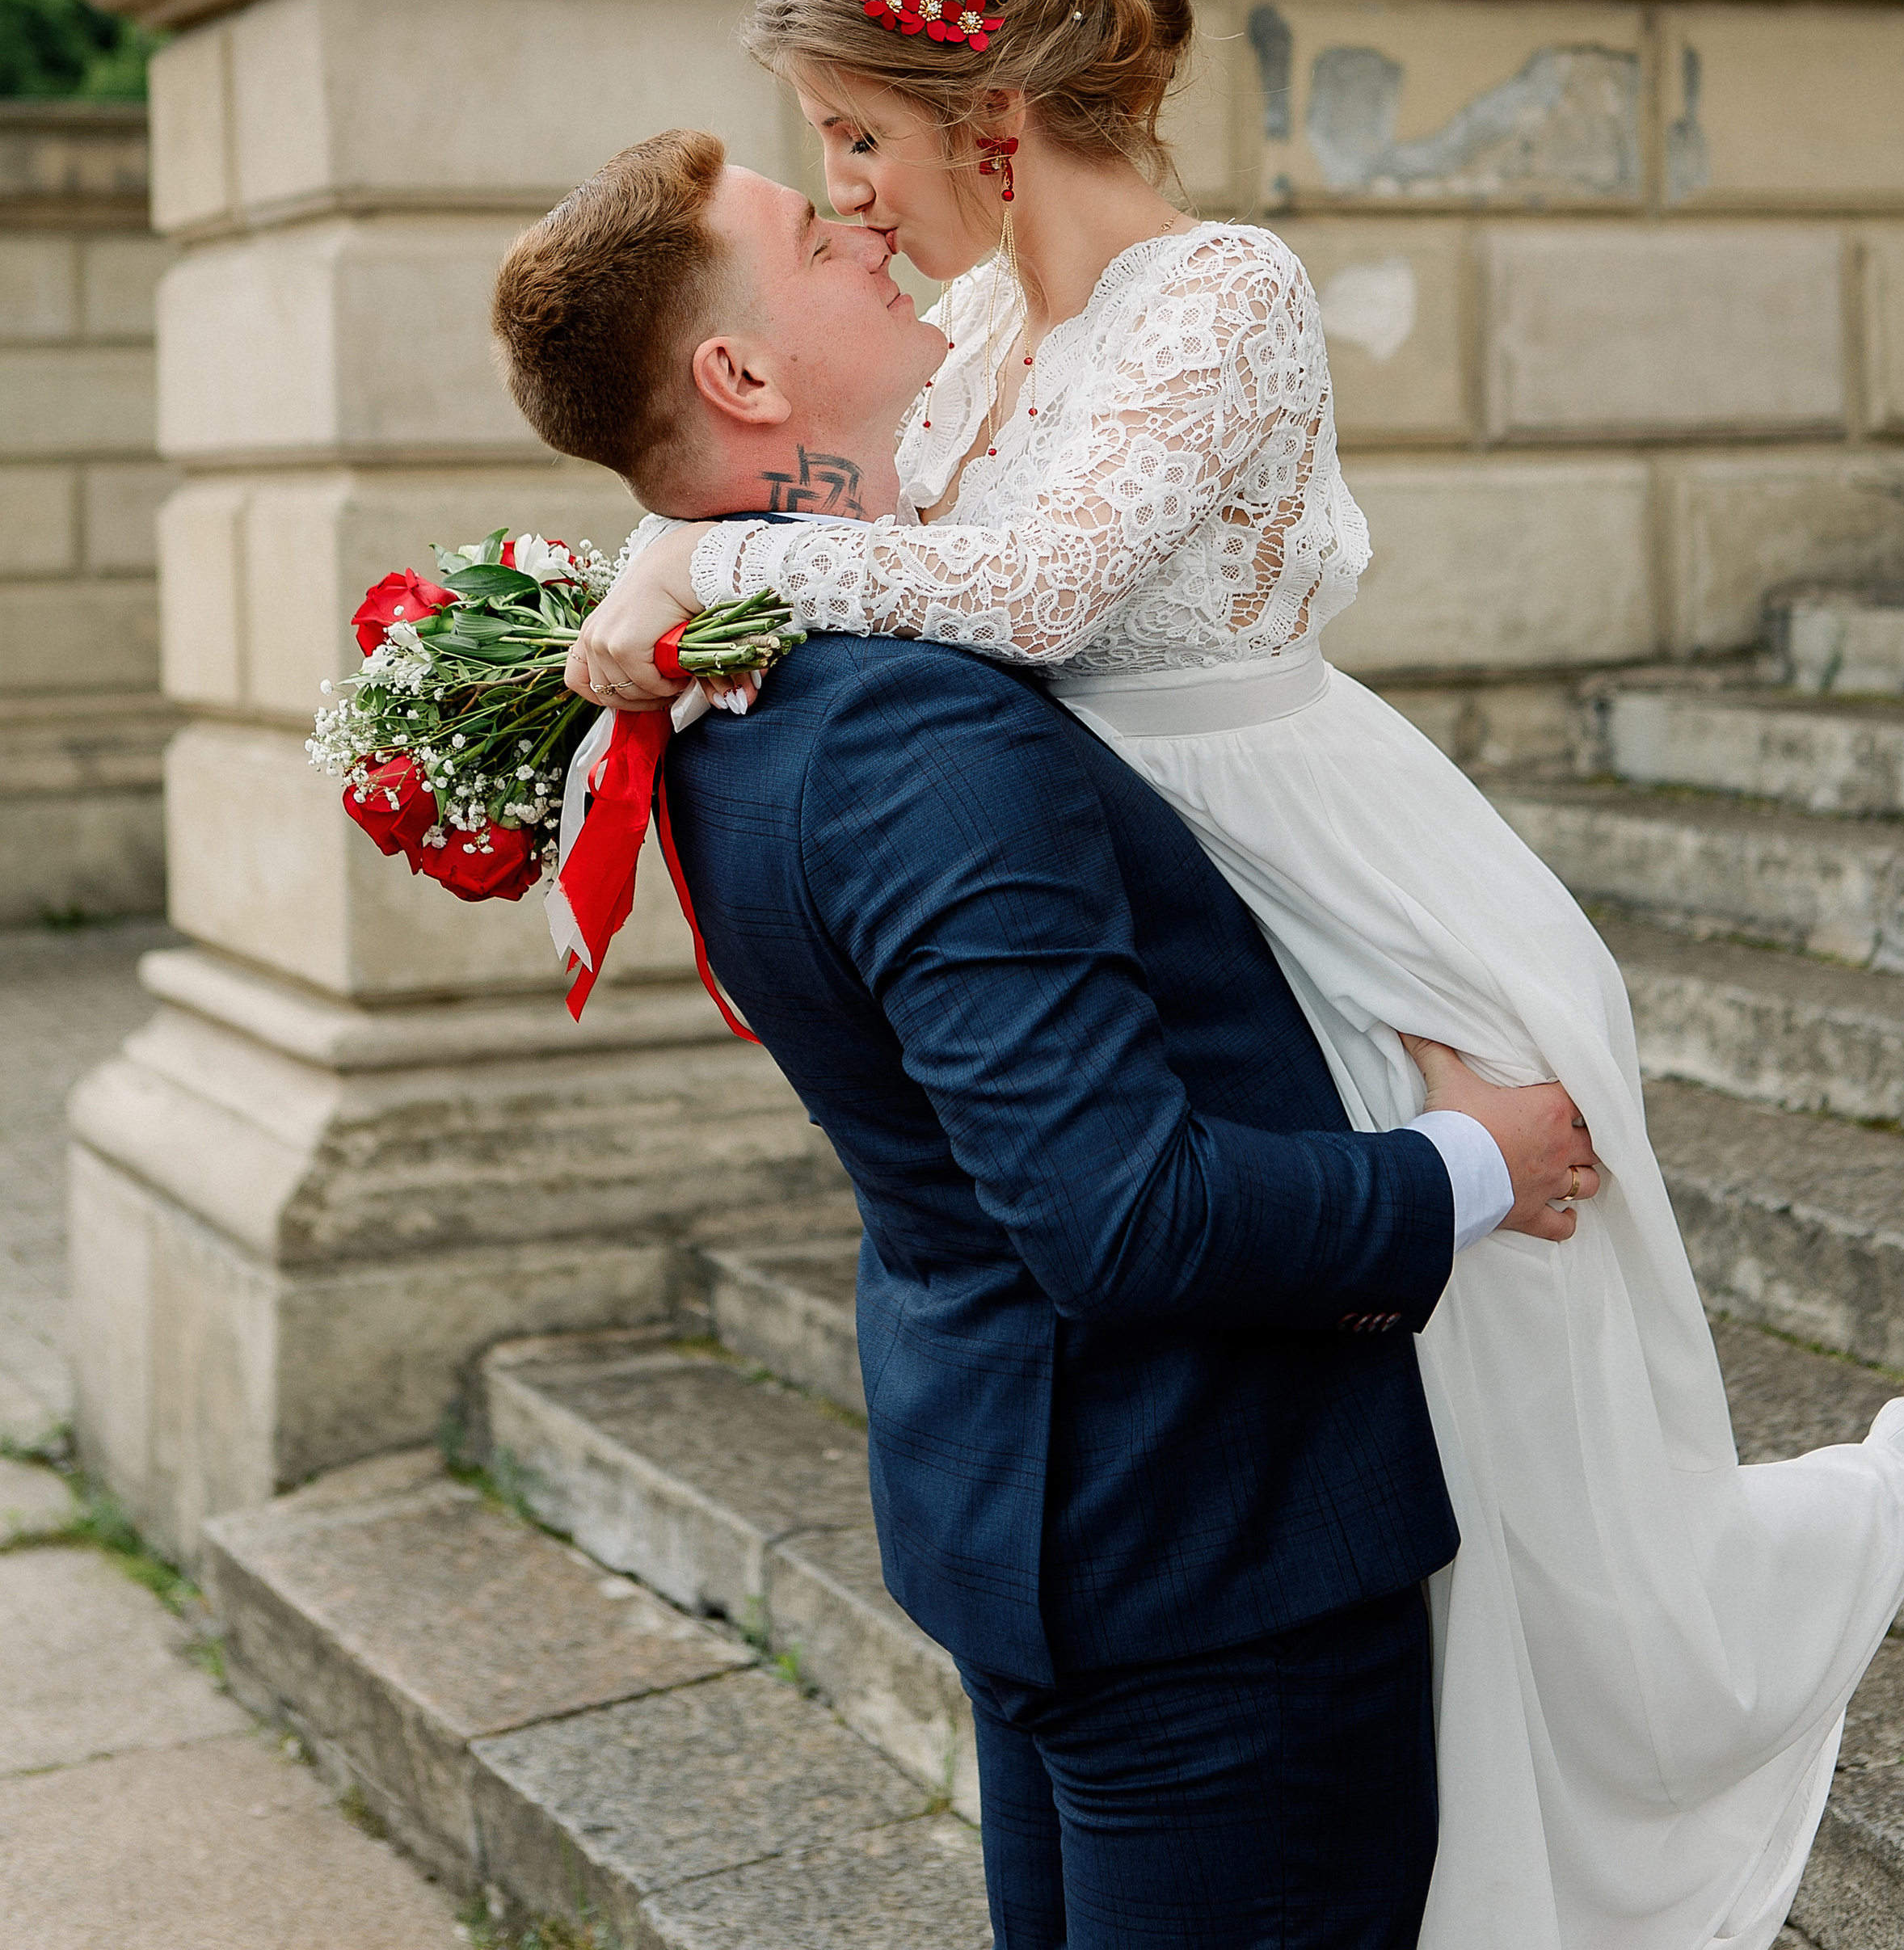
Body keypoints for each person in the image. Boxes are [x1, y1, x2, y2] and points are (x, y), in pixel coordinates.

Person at [562, 0, 1904, 1950]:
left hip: (1373, 917)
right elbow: (804, 462)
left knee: (1574, 1541)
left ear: (990, 114)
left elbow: (1027, 591)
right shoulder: (979, 328)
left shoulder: (1223, 296)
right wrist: (650, 545)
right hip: (1206, 935)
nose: (852, 201)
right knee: (1435, 1558)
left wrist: (697, 564)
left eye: (858, 138)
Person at [490, 127, 1606, 1950]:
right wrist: (1477, 1160)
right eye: (813, 233)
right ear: (741, 377)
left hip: (1019, 1493)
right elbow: (1124, 1218)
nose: (865, 224)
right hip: (1195, 1560)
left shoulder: (720, 684)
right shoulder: (916, 731)